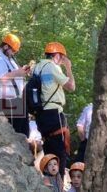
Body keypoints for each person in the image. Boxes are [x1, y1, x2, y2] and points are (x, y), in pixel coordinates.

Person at [33, 41, 75, 176]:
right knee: (59, 152)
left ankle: (49, 181)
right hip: (54, 114)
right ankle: (58, 182)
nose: (63, 60)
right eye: (62, 57)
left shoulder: (37, 67)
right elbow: (71, 86)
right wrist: (68, 68)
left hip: (41, 114)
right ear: (57, 55)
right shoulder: (53, 68)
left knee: (49, 150)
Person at [0, 33, 30, 136]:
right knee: (14, 134)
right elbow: (2, 78)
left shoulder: (9, 59)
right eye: (13, 50)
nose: (13, 53)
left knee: (23, 133)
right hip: (5, 102)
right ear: (5, 46)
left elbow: (13, 74)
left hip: (16, 101)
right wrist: (18, 72)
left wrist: (22, 71)